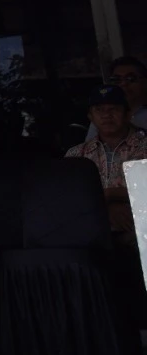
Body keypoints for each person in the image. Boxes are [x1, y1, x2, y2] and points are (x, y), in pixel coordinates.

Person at [67, 84, 147, 233]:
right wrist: (107, 207)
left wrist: (107, 194)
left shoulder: (144, 147)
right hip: (91, 235)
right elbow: (67, 197)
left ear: (127, 114)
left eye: (114, 109)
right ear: (90, 117)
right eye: (99, 110)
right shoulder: (76, 154)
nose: (106, 115)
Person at [87, 56, 147, 139]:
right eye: (117, 79)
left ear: (144, 82)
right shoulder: (103, 114)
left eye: (131, 79)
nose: (123, 84)